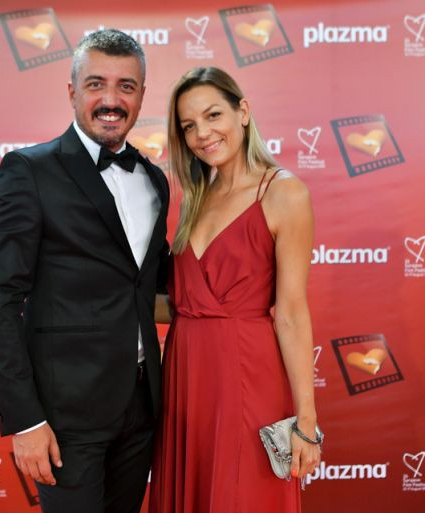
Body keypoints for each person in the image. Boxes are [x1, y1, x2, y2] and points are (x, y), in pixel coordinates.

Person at [0, 30, 170, 513]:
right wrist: (25, 420)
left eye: (126, 86)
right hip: (64, 416)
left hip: (141, 407)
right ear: (72, 92)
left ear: (142, 95)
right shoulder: (29, 170)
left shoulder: (154, 180)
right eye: (96, 84)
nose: (111, 100)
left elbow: (153, 282)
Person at [149, 67, 321, 513]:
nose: (202, 134)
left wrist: (306, 421)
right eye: (189, 126)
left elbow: (291, 314)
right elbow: (184, 304)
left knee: (241, 495)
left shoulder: (284, 193)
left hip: (246, 373)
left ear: (242, 112)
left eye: (213, 116)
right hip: (185, 375)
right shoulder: (193, 197)